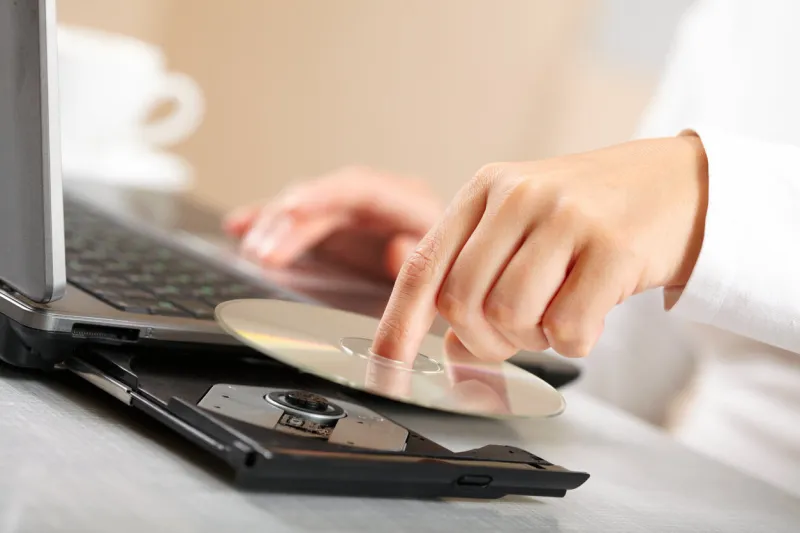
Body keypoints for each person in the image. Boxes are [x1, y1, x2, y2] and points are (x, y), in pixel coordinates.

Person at [223, 0, 800, 497]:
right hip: (681, 493)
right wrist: (478, 282)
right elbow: (613, 377)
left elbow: (700, 218)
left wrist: (719, 203)